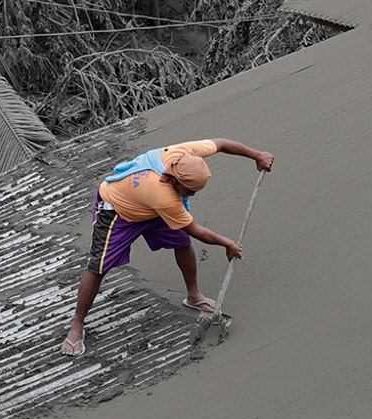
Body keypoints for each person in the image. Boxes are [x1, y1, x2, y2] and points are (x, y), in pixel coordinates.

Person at [60, 138, 274, 356]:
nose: (192, 195)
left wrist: (256, 154)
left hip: (150, 208)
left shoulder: (185, 154)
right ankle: (77, 325)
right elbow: (196, 230)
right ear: (175, 180)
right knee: (98, 266)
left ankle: (194, 295)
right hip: (118, 210)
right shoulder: (164, 196)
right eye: (190, 191)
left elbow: (221, 144)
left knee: (181, 243)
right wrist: (227, 244)